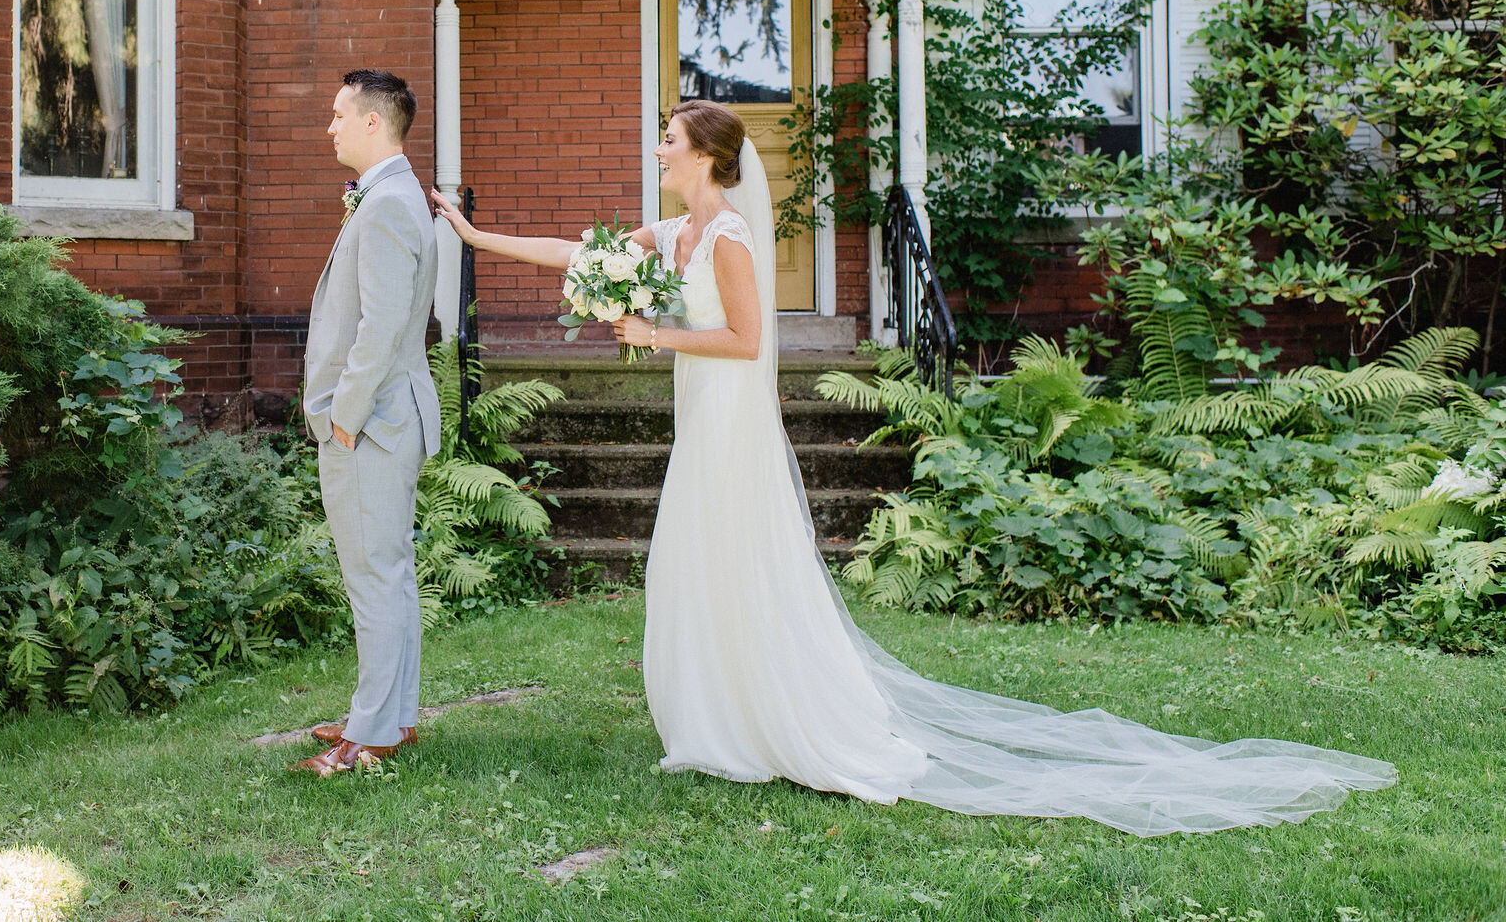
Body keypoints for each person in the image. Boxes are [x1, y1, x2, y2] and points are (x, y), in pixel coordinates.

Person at [429, 98, 1396, 835]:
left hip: (728, 418)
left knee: (736, 555)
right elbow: (580, 252)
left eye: (671, 138)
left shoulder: (725, 236)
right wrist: (479, 237)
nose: (659, 147)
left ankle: (774, 719)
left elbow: (745, 337)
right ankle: (714, 720)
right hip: (699, 417)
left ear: (709, 157)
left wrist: (655, 331)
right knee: (694, 559)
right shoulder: (671, 231)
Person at [296, 69, 441, 778]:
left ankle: (372, 733)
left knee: (373, 575)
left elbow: (380, 327)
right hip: (390, 417)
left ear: (373, 123)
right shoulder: (393, 195)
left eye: (338, 113)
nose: (330, 126)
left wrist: (341, 417)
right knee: (392, 571)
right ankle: (393, 714)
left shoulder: (385, 204)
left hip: (372, 422)